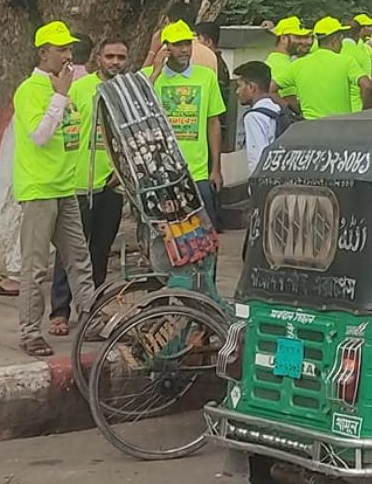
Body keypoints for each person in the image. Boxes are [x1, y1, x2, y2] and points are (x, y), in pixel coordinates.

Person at [12, 21, 97, 357]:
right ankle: (29, 330)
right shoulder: (32, 90)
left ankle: (91, 314)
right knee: (35, 266)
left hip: (65, 186)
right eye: (60, 49)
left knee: (78, 257)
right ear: (43, 53)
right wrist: (60, 96)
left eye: (69, 49)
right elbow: (40, 135)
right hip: (39, 188)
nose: (67, 55)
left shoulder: (66, 88)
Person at [52, 36, 128, 332]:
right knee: (70, 251)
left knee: (100, 252)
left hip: (112, 185)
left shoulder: (127, 93)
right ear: (99, 58)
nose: (116, 63)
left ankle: (91, 310)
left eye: (121, 57)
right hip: (78, 183)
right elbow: (64, 133)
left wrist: (120, 173)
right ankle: (59, 310)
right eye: (110, 56)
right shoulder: (80, 88)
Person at [146, 21, 226, 224]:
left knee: (205, 233)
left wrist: (215, 168)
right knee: (168, 233)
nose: (184, 50)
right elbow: (138, 110)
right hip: (162, 172)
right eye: (177, 44)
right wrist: (155, 72)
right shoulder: (149, 78)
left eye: (187, 44)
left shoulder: (206, 76)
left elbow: (213, 122)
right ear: (166, 48)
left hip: (197, 172)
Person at [289, 17, 360, 119]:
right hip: (340, 126)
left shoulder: (298, 64)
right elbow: (367, 86)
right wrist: (365, 112)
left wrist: (293, 112)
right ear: (336, 39)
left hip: (311, 126)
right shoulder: (346, 61)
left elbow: (272, 87)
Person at [236, 61, 281, 175]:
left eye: (240, 86)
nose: (237, 91)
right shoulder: (277, 109)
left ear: (251, 87)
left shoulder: (253, 117)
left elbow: (256, 158)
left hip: (263, 181)